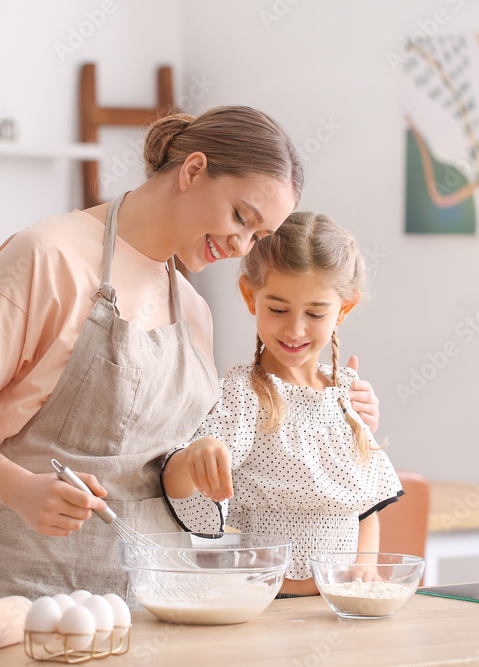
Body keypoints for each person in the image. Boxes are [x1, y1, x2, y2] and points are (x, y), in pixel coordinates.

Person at [0, 106, 381, 605]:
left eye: (257, 237)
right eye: (240, 217)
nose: (239, 244)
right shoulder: (46, 258)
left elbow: (216, 461)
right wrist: (19, 490)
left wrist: (337, 413)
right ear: (194, 170)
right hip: (34, 587)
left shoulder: (194, 312)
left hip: (156, 594)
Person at [162, 212, 403, 596]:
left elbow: (367, 505)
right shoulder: (242, 395)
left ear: (343, 309)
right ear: (249, 296)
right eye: (277, 309)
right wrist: (195, 456)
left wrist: (366, 570)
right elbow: (186, 493)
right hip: (264, 606)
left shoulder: (347, 395)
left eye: (316, 312)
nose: (295, 329)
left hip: (341, 604)